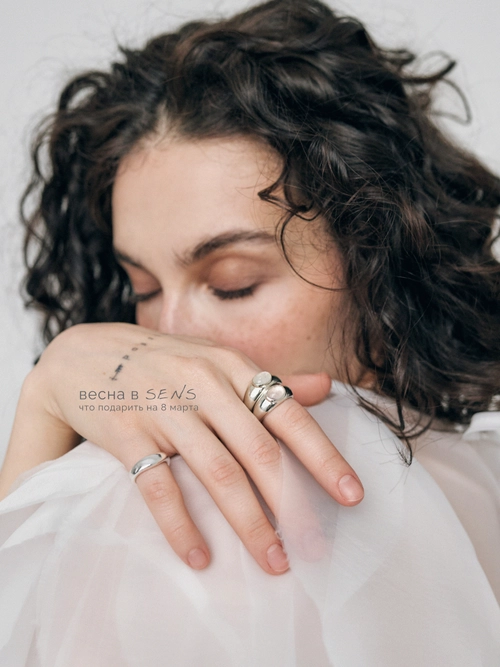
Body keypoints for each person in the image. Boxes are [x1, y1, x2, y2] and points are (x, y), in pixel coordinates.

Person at [0, 0, 499, 664]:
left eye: (232, 282)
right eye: (142, 289)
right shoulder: (483, 485)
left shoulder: (166, 527)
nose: (169, 339)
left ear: (381, 265)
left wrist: (43, 415)